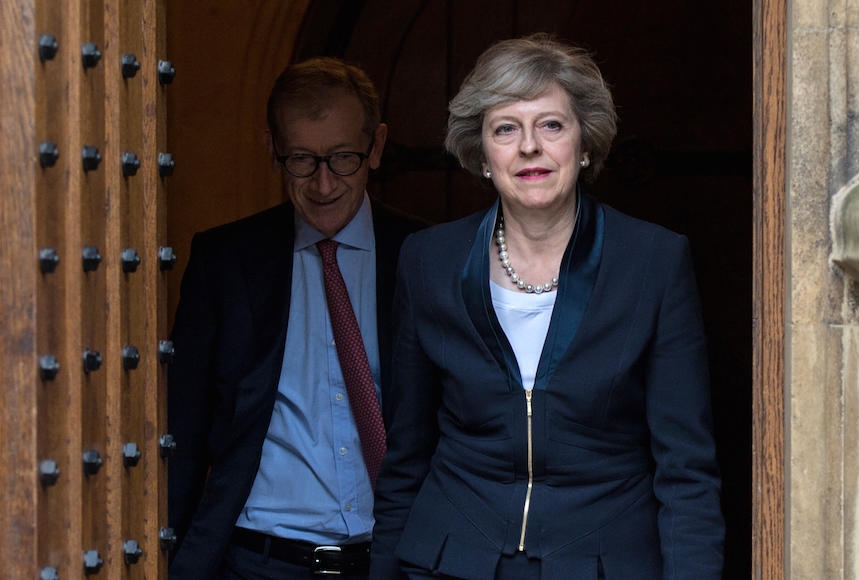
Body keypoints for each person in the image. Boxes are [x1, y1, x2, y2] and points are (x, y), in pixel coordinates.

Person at [370, 34, 725, 580]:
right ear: (483, 153)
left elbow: (687, 471)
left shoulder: (654, 260)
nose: (529, 147)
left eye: (551, 125)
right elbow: (406, 456)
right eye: (505, 129)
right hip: (449, 559)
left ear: (584, 144)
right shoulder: (428, 260)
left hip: (605, 561)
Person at [167, 56, 425, 580]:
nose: (324, 184)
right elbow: (183, 432)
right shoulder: (225, 260)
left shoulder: (428, 256)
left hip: (398, 561)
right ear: (273, 152)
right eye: (302, 160)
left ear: (376, 147)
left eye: (343, 158)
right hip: (256, 563)